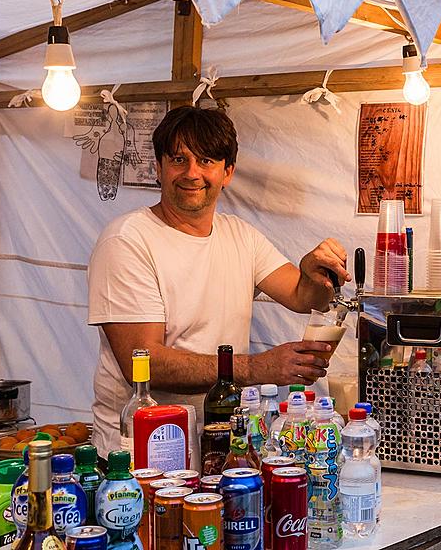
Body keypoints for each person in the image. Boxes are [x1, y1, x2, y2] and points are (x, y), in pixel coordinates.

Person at [87, 107, 351, 454]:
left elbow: (304, 297)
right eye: (179, 159)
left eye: (207, 160)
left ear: (228, 172)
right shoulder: (127, 240)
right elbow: (144, 363)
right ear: (158, 168)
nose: (192, 173)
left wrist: (313, 270)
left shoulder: (239, 235)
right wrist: (258, 367)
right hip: (143, 454)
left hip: (220, 446)